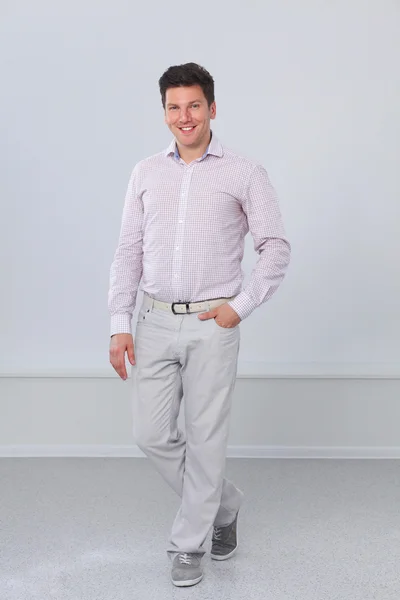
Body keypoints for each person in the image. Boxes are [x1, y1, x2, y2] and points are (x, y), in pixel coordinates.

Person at [108, 62, 291, 587]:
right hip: (154, 320)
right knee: (149, 432)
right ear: (163, 111)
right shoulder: (146, 172)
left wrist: (242, 304)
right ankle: (225, 502)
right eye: (173, 107)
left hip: (214, 321)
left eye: (193, 105)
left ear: (212, 108)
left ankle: (188, 544)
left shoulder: (245, 172)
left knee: (205, 437)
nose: (183, 117)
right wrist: (120, 323)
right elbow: (127, 251)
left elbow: (275, 247)